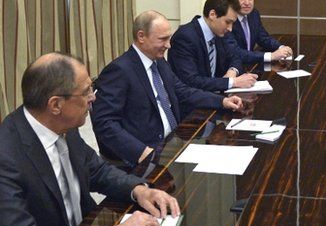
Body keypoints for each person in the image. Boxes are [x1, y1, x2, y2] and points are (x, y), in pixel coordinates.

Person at [0, 53, 181, 226]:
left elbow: (97, 171)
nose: (94, 97)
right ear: (55, 105)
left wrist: (139, 190)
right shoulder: (7, 156)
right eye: (86, 91)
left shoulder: (65, 127)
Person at [91, 11, 243, 167]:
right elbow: (104, 122)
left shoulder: (160, 62)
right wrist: (140, 151)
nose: (169, 45)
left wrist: (222, 101)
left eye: (168, 38)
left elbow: (182, 91)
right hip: (144, 155)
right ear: (141, 36)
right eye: (162, 39)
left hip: (173, 143)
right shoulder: (119, 70)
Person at [168, 0, 258, 92]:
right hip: (193, 104)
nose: (230, 28)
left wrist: (232, 71)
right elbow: (190, 81)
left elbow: (235, 57)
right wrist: (233, 82)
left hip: (216, 97)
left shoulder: (220, 32)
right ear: (212, 14)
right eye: (228, 22)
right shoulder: (185, 37)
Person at [228, 0, 293, 64]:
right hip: (232, 68)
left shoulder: (253, 14)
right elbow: (236, 52)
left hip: (249, 66)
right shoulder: (228, 20)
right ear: (232, 0)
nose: (247, 2)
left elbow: (263, 38)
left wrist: (281, 48)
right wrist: (271, 56)